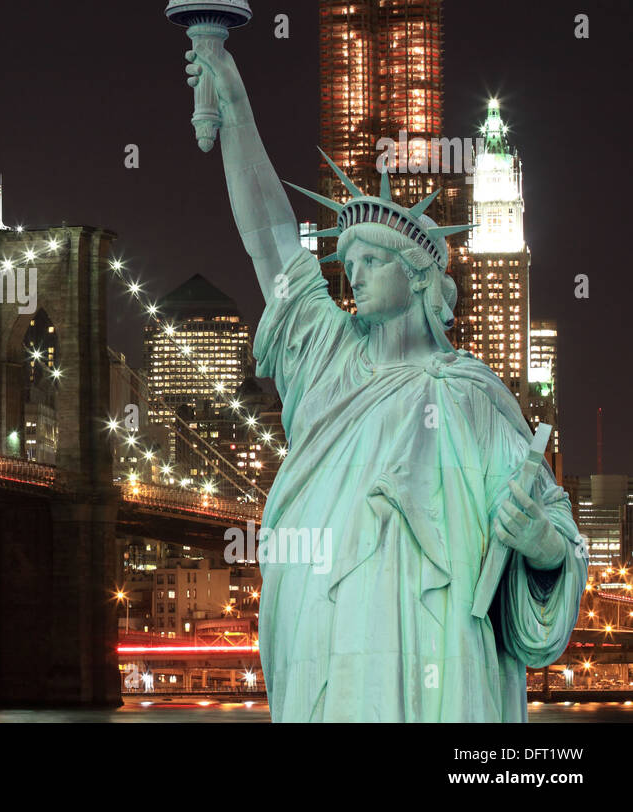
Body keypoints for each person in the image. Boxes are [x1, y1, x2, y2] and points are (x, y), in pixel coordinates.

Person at [184, 42, 586, 721]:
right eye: (349, 261)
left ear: (422, 275)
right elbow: (269, 237)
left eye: (372, 260)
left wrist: (543, 548)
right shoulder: (327, 356)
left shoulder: (474, 397)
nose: (355, 274)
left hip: (445, 657)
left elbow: (553, 533)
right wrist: (236, 106)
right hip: (329, 646)